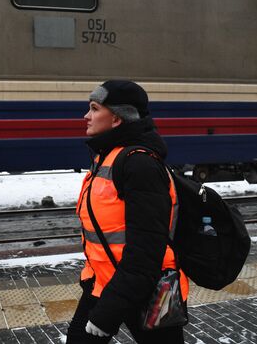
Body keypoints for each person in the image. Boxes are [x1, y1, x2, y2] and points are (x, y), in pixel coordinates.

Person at [67, 80, 189, 343]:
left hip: (147, 290)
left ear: (117, 119)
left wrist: (108, 312)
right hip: (105, 283)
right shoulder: (107, 156)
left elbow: (146, 250)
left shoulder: (139, 165)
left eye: (94, 108)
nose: (86, 116)